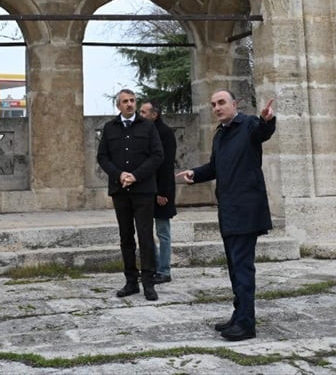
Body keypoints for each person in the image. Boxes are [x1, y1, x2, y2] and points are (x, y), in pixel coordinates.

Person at [178, 89, 276, 341]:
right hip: (228, 210)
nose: (217, 108)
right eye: (213, 105)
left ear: (235, 104)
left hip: (246, 209)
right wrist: (195, 174)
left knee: (243, 268)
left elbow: (263, 132)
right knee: (234, 267)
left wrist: (267, 120)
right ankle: (239, 315)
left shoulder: (250, 124)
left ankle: (246, 324)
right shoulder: (220, 134)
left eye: (221, 103)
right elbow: (215, 167)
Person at [96, 88, 164, 301]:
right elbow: (102, 157)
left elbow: (157, 155)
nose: (129, 104)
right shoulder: (110, 128)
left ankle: (149, 282)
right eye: (125, 101)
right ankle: (131, 281)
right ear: (118, 105)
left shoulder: (148, 126)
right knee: (126, 236)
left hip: (143, 190)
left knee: (145, 236)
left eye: (132, 100)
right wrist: (119, 175)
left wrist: (135, 175)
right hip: (120, 190)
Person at [137, 100, 176, 284]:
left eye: (144, 112)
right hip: (146, 190)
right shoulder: (144, 132)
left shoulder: (165, 133)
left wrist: (163, 193)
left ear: (154, 114)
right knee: (146, 231)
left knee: (162, 232)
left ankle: (164, 270)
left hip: (161, 190)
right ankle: (152, 267)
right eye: (140, 112)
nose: (141, 115)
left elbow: (166, 165)